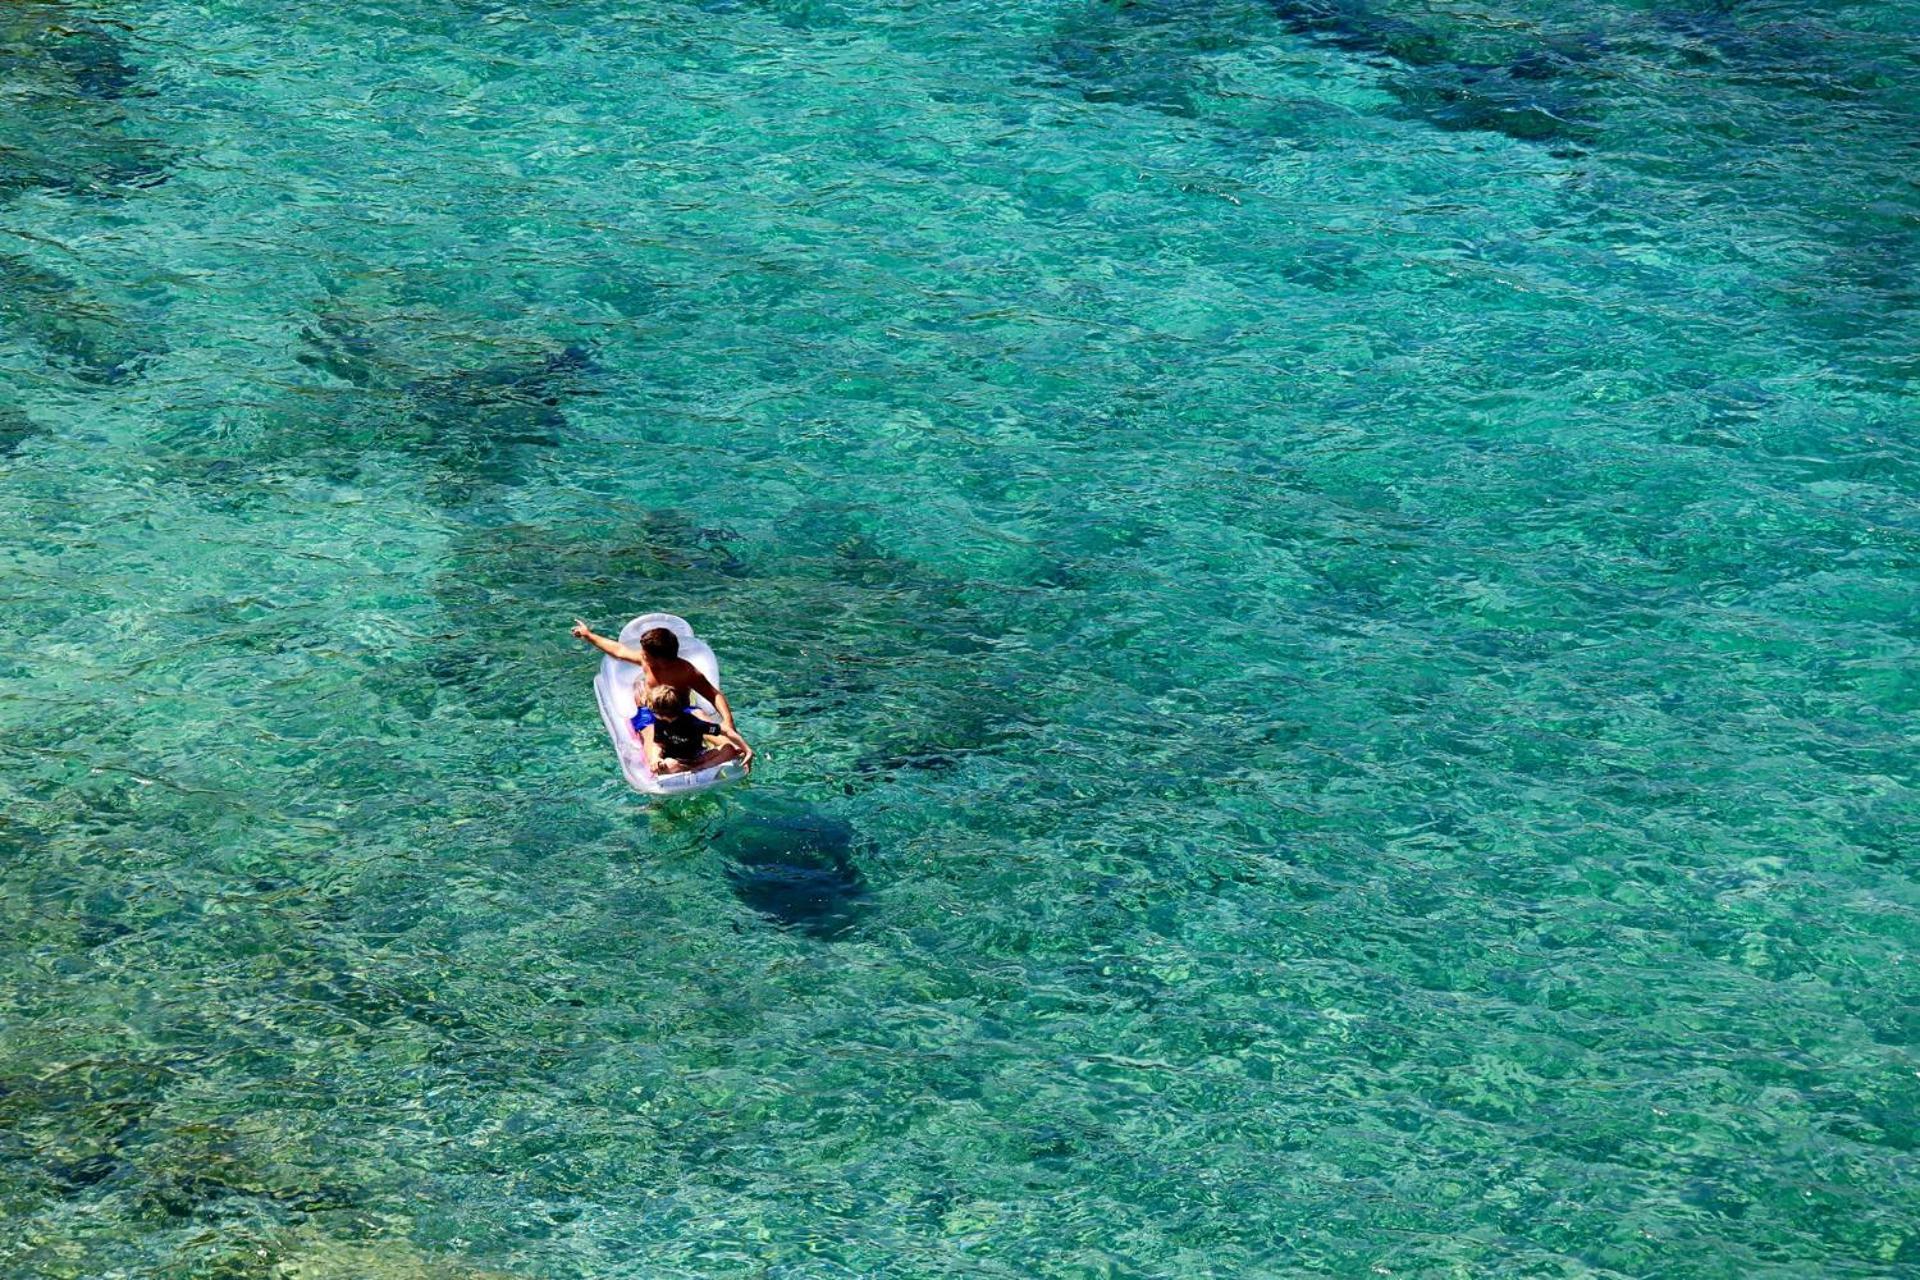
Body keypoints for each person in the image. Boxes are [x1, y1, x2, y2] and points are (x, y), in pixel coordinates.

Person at [571, 619, 754, 772]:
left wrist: (728, 721)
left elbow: (714, 695)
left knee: (700, 718)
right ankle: (658, 763)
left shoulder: (686, 671)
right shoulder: (646, 663)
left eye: (645, 653)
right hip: (651, 713)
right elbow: (618, 651)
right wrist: (588, 635)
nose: (641, 655)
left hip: (681, 711)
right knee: (651, 732)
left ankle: (731, 751)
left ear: (661, 658)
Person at [636, 683, 745, 775]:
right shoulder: (660, 723)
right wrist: (656, 757)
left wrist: (744, 748)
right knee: (669, 764)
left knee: (729, 749)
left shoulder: (694, 723)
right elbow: (658, 743)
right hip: (676, 761)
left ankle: (700, 769)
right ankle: (695, 770)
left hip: (698, 758)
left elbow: (723, 730)